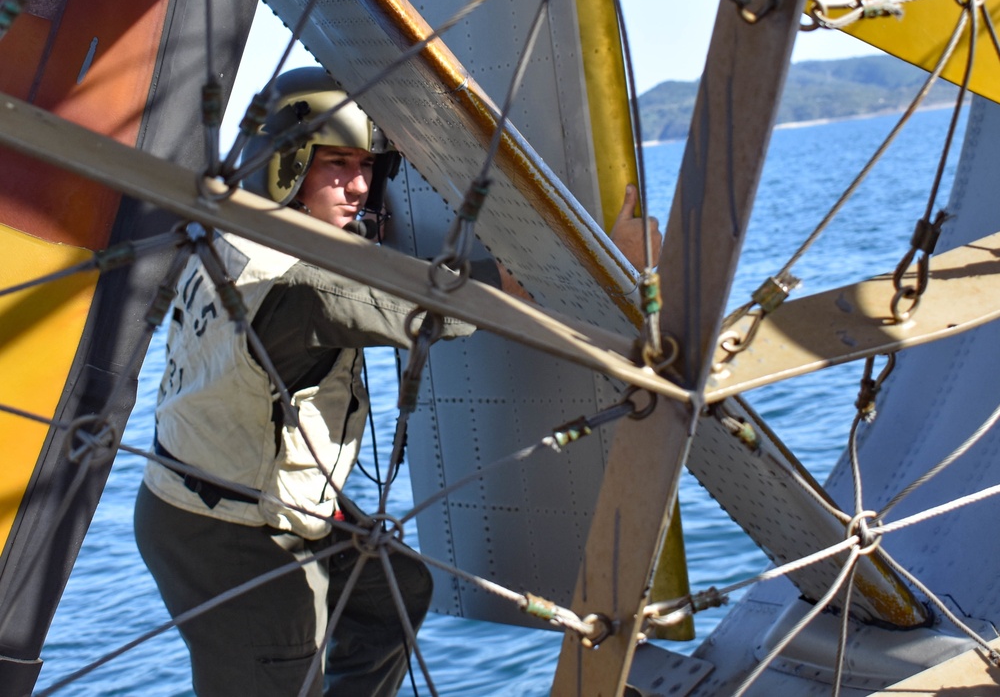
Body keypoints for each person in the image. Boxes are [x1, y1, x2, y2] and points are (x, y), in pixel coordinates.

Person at [134, 67, 660, 697]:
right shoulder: (299, 287)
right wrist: (604, 257)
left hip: (203, 496)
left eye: (369, 168)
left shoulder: (235, 231)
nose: (359, 187)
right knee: (280, 668)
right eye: (336, 165)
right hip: (232, 537)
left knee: (391, 593)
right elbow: (444, 306)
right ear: (286, 163)